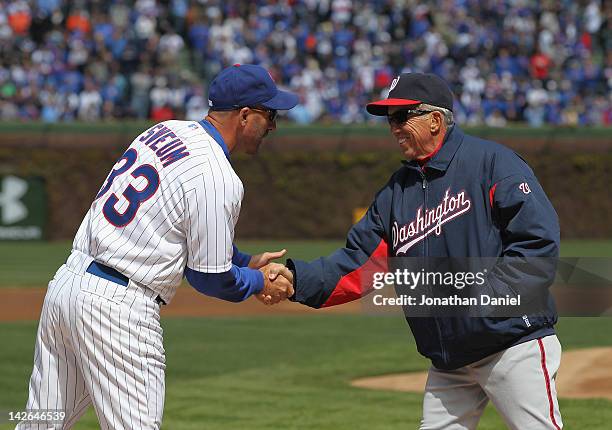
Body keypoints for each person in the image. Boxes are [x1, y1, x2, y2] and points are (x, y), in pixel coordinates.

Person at [267, 73, 563, 429]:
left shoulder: (493, 164)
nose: (393, 128)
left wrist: (486, 304)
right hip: (449, 357)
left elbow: (537, 244)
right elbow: (358, 262)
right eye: (389, 119)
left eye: (401, 117)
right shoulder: (397, 193)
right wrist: (297, 281)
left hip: (511, 345)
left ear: (435, 120)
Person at [17, 64, 297, 430]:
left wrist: (247, 262)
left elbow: (169, 229)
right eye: (269, 114)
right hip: (117, 310)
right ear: (245, 115)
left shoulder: (165, 131)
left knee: (41, 423)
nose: (273, 126)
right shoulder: (218, 176)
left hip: (67, 289)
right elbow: (209, 278)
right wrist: (259, 282)